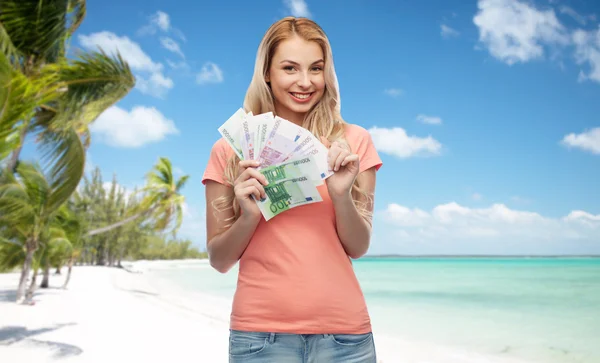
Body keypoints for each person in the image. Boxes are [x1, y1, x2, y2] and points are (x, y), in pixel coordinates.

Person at [202, 16, 383, 363]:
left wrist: (341, 195)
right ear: (267, 72)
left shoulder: (354, 143)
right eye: (289, 68)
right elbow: (219, 260)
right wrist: (249, 216)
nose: (305, 82)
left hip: (346, 338)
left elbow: (358, 247)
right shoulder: (229, 151)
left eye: (316, 69)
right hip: (259, 338)